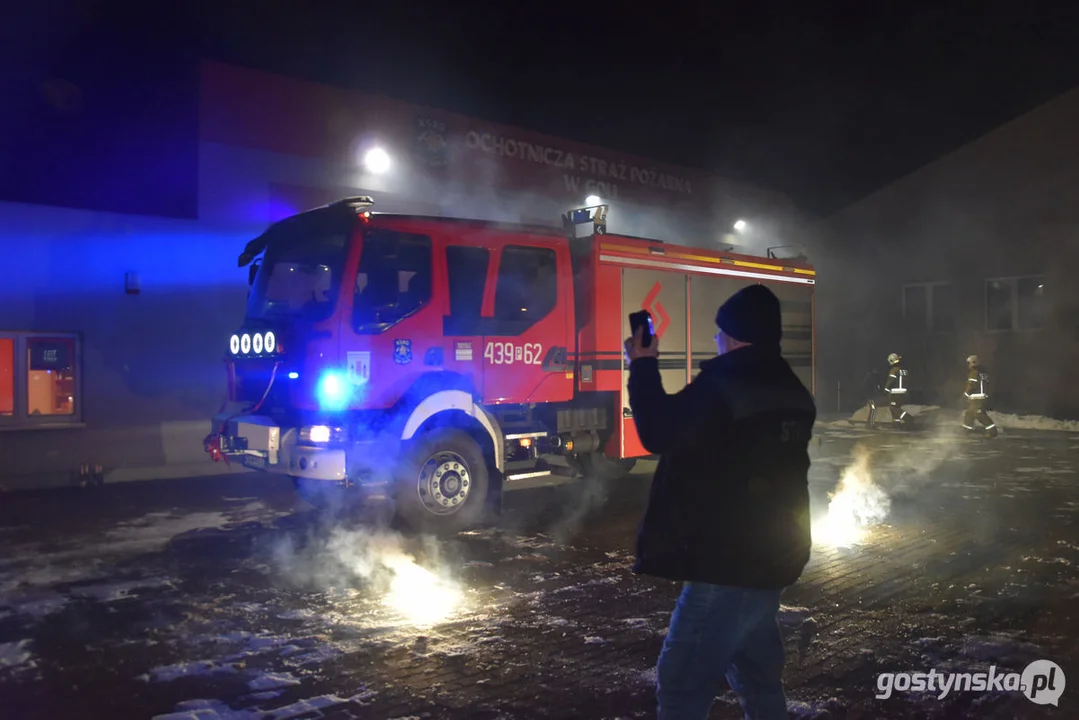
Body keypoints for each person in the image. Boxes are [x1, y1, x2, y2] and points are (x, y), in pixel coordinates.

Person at [624, 283, 816, 720]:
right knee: (757, 679)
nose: (715, 341)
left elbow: (658, 431)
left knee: (680, 686)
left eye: (718, 333)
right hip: (771, 560)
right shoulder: (789, 387)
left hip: (726, 566)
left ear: (732, 335)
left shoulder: (727, 384)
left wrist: (643, 365)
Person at [869, 352, 912, 428]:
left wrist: (885, 391)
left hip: (896, 394)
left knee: (894, 408)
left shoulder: (894, 370)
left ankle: (908, 418)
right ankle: (896, 424)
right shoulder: (905, 371)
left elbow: (890, 381)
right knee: (893, 408)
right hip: (904, 394)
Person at [963, 355, 998, 438]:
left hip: (977, 397)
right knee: (969, 414)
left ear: (973, 363)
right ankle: (966, 430)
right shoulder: (983, 373)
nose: (968, 365)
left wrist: (965, 395)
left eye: (969, 363)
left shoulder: (974, 372)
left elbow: (971, 386)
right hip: (982, 396)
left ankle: (992, 431)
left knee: (979, 414)